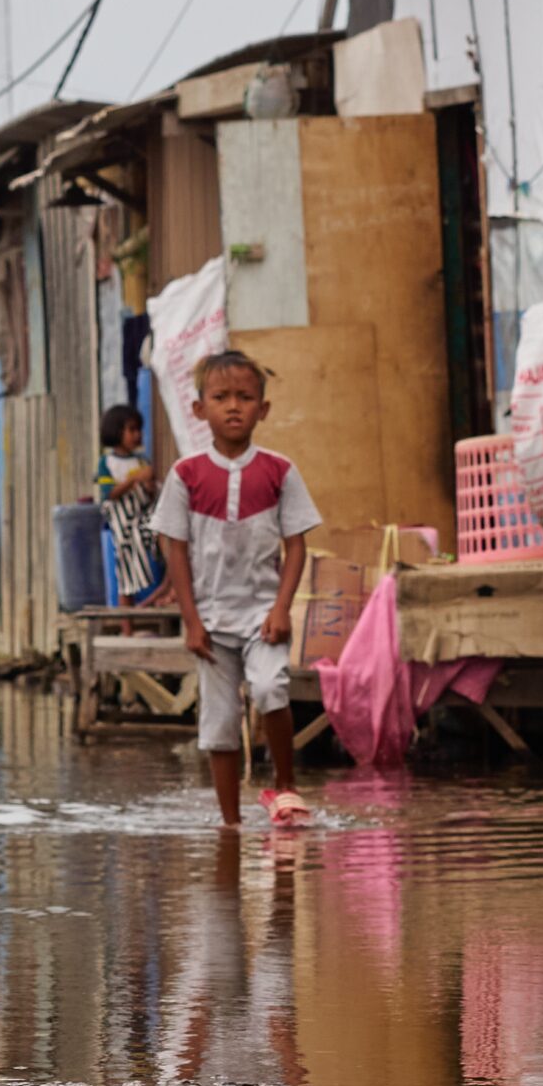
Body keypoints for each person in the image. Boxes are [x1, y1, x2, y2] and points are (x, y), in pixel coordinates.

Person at [151, 350, 321, 828]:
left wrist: (282, 608)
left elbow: (296, 548)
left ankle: (285, 787)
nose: (233, 407)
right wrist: (191, 621)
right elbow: (176, 551)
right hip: (210, 620)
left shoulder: (279, 471)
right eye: (220, 397)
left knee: (270, 688)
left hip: (264, 615)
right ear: (199, 408)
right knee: (220, 725)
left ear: (262, 410)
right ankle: (231, 825)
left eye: (245, 398)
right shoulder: (185, 475)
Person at [95, 402, 161, 604]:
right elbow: (109, 494)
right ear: (116, 431)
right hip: (122, 521)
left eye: (138, 429)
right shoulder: (106, 463)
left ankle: (164, 587)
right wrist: (134, 480)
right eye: (131, 430)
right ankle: (127, 626)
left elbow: (149, 496)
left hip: (141, 516)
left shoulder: (142, 461)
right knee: (125, 569)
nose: (137, 435)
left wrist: (149, 488)